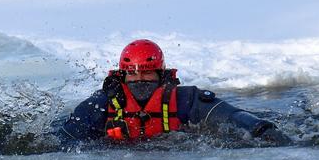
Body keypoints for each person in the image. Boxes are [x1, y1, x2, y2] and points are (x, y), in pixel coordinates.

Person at [61, 39, 292, 146]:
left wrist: (263, 129)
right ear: (121, 75)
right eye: (132, 74)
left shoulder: (186, 99)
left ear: (162, 75)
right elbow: (64, 138)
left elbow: (234, 116)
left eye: (147, 74)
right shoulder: (101, 104)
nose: (139, 80)